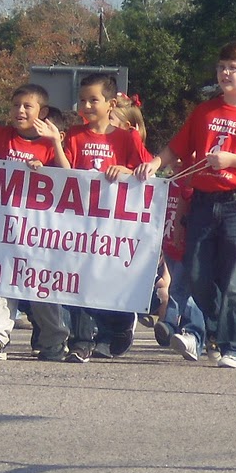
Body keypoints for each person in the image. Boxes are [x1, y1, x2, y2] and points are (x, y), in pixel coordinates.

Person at [133, 43, 236, 370]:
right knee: (198, 276)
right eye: (222, 66)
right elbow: (178, 146)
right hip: (202, 202)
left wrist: (232, 160)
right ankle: (216, 332)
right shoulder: (205, 111)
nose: (226, 73)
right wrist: (156, 161)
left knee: (235, 280)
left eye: (234, 67)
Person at [0, 59, 73, 362]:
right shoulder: (0, 136)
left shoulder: (51, 145)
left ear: (43, 113)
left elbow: (70, 177)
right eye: (16, 106)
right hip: (3, 231)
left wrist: (52, 151)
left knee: (41, 290)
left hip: (40, 235)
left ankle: (53, 341)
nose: (20, 111)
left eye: (27, 107)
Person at [63, 72, 151, 360]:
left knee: (104, 280)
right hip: (78, 220)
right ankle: (80, 340)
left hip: (112, 226)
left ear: (111, 103)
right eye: (82, 100)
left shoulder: (127, 138)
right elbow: (63, 170)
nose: (87, 106)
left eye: (94, 100)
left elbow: (146, 174)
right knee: (76, 279)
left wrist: (126, 172)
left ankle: (115, 329)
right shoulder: (74, 135)